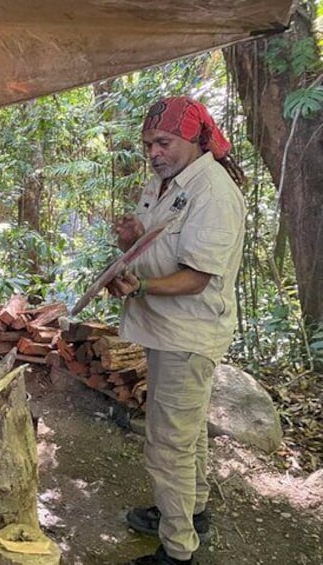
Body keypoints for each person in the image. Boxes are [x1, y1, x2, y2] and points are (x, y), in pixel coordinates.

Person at [105, 97, 246, 565]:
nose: (154, 152)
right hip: (167, 331)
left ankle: (179, 548)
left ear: (196, 139)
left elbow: (197, 276)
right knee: (187, 436)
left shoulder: (215, 192)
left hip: (190, 335)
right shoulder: (167, 180)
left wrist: (139, 285)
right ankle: (193, 510)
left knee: (168, 443)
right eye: (149, 144)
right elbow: (157, 241)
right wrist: (131, 239)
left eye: (163, 142)